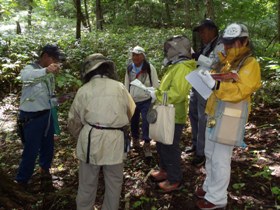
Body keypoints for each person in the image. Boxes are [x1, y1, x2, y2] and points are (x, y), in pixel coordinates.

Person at [195, 23, 261, 209]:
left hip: (232, 114)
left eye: (233, 43)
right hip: (215, 111)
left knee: (220, 157)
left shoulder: (250, 63)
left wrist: (216, 85)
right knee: (209, 154)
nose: (229, 46)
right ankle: (209, 187)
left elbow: (243, 89)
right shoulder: (226, 61)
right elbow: (215, 81)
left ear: (244, 41)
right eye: (227, 42)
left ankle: (217, 198)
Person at [68, 53, 135, 210]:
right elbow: (130, 111)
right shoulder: (120, 87)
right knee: (114, 181)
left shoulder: (84, 90)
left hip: (91, 138)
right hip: (116, 139)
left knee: (87, 182)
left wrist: (80, 135)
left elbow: (73, 120)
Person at [148, 36, 196, 192]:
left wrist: (158, 95)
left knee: (169, 146)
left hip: (173, 114)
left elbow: (179, 93)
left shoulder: (183, 67)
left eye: (170, 48)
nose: (167, 51)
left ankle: (175, 179)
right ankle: (164, 170)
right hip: (166, 111)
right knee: (161, 143)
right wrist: (157, 93)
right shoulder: (175, 66)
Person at [16, 44, 62, 186]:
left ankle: (44, 171)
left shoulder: (49, 75)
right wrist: (46, 70)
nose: (56, 63)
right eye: (54, 59)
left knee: (48, 147)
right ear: (45, 56)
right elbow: (25, 77)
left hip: (46, 115)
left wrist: (59, 100)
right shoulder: (30, 69)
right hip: (31, 118)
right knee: (31, 150)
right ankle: (22, 180)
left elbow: (49, 97)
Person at [186, 19, 224, 167]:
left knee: (203, 119)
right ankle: (195, 144)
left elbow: (216, 64)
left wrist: (197, 57)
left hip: (207, 87)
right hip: (197, 83)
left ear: (212, 30)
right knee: (193, 115)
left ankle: (201, 152)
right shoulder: (208, 45)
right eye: (199, 32)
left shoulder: (220, 45)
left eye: (203, 30)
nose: (201, 34)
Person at [124, 46, 159, 157]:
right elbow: (126, 83)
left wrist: (155, 97)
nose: (136, 57)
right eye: (134, 55)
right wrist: (126, 97)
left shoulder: (149, 67)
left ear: (143, 56)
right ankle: (135, 141)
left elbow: (155, 84)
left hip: (146, 100)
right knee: (133, 121)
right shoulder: (130, 68)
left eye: (138, 55)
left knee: (146, 121)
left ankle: (147, 143)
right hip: (133, 100)